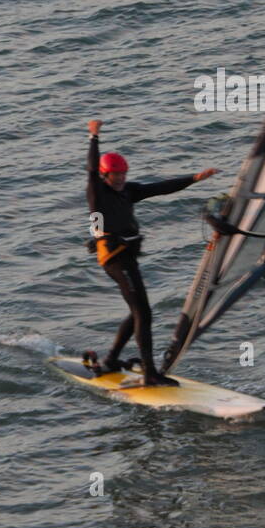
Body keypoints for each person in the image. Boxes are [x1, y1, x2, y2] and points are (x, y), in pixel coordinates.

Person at [85, 119, 216, 386]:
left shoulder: (128, 191)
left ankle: (111, 360)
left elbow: (158, 188)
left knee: (138, 312)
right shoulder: (98, 193)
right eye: (115, 175)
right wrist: (94, 137)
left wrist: (193, 179)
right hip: (114, 258)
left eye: (123, 174)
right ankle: (149, 374)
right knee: (143, 313)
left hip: (127, 257)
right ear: (104, 176)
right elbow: (89, 169)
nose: (121, 179)